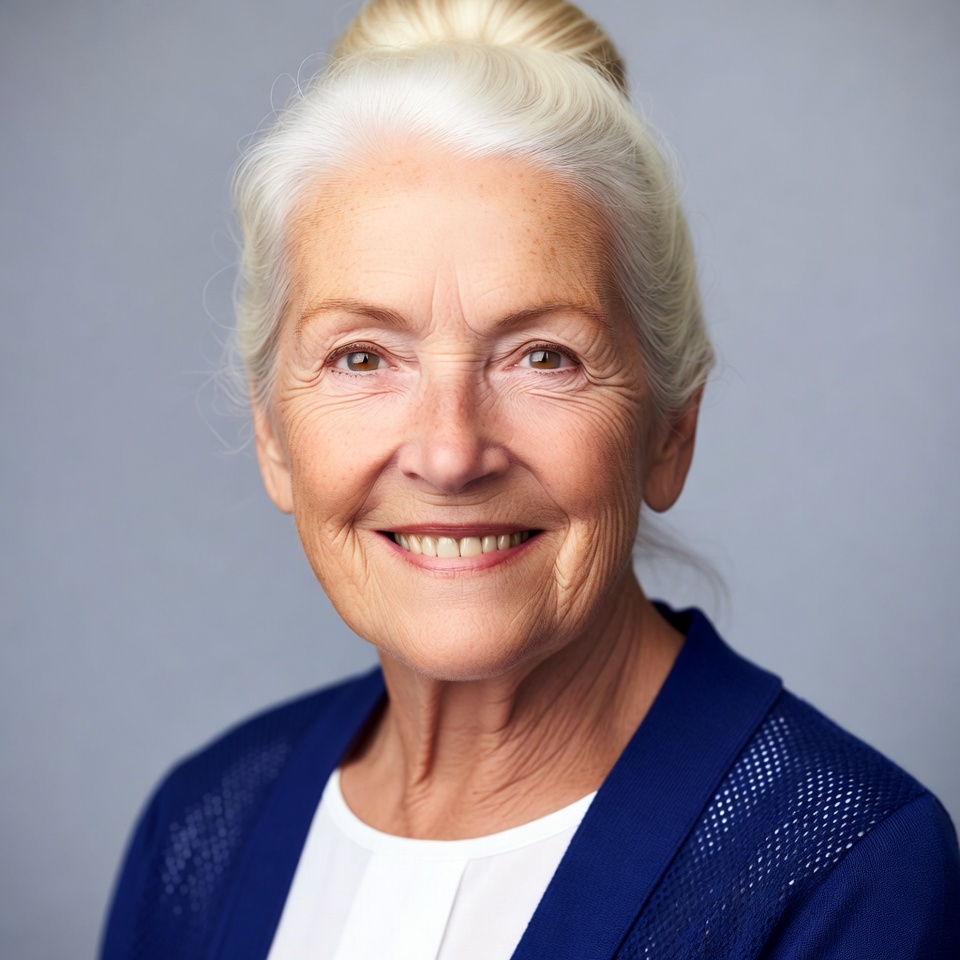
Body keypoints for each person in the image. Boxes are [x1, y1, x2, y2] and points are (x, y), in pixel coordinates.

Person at [99, 0, 960, 957]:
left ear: (671, 428)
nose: (450, 454)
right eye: (362, 357)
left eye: (544, 357)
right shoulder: (201, 829)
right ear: (273, 436)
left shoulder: (848, 872)